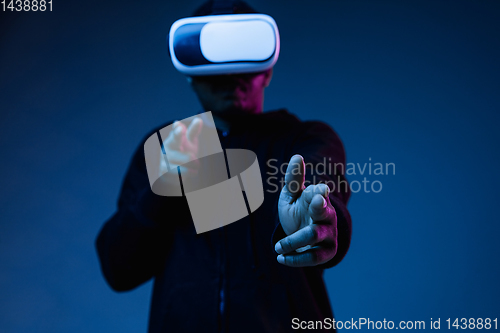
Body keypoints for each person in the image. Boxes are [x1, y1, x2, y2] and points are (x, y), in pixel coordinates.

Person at [95, 1, 352, 332]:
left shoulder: (302, 139)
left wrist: (320, 218)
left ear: (267, 70)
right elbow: (119, 268)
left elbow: (321, 182)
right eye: (213, 62)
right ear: (190, 73)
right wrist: (163, 192)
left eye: (242, 58)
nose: (230, 75)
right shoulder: (167, 145)